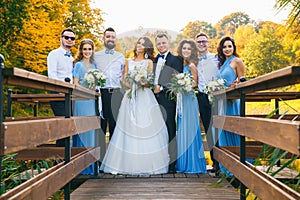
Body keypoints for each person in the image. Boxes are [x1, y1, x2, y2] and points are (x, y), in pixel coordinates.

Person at [100, 37, 169, 175]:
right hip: (130, 96)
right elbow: (123, 79)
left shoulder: (149, 62)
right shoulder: (128, 61)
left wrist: (142, 83)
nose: (139, 45)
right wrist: (132, 85)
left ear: (147, 48)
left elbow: (150, 81)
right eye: (138, 43)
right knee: (128, 126)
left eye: (143, 44)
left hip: (145, 96)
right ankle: (125, 163)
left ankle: (147, 164)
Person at [175, 40, 207, 174]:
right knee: (182, 129)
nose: (186, 51)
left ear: (192, 51)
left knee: (190, 129)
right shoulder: (180, 64)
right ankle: (183, 163)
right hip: (181, 99)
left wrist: (184, 85)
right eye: (184, 48)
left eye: (189, 49)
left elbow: (195, 83)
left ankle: (193, 164)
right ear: (180, 50)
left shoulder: (192, 65)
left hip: (189, 98)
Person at [153, 33, 183, 173]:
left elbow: (177, 79)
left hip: (168, 99)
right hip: (153, 100)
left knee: (170, 128)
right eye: (158, 43)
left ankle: (172, 163)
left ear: (168, 43)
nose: (161, 45)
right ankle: (159, 160)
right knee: (157, 130)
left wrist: (162, 88)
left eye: (163, 43)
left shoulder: (176, 60)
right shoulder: (153, 60)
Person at [216, 36, 246, 174]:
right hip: (222, 102)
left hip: (232, 101)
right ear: (221, 49)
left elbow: (243, 81)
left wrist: (236, 84)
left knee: (234, 131)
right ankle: (227, 168)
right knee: (223, 132)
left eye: (230, 46)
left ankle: (239, 169)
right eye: (224, 47)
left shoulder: (237, 61)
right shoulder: (221, 64)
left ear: (233, 47)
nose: (227, 49)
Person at [195, 32, 220, 170]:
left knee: (219, 128)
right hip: (202, 96)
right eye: (199, 42)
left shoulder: (216, 58)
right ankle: (214, 162)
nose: (202, 44)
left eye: (204, 41)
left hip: (216, 96)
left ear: (208, 43)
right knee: (208, 128)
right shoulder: (194, 60)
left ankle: (224, 161)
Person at [94, 27, 125, 142]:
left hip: (116, 94)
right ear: (103, 38)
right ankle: (100, 158)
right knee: (101, 126)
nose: (110, 39)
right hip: (101, 94)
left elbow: (124, 76)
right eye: (108, 37)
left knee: (115, 125)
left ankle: (113, 157)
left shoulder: (120, 57)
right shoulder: (96, 56)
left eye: (113, 37)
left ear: (116, 39)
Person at [72, 39, 97, 175]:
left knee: (90, 130)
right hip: (81, 100)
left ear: (92, 50)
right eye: (85, 49)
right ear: (81, 50)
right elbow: (75, 84)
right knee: (81, 129)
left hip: (91, 101)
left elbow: (95, 83)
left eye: (89, 49)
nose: (87, 51)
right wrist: (88, 91)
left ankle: (89, 166)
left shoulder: (93, 66)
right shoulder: (78, 65)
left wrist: (93, 89)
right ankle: (80, 167)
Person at [47, 28, 76, 147]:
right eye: (66, 37)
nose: (69, 40)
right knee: (63, 127)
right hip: (57, 94)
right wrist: (62, 89)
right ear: (61, 39)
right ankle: (59, 159)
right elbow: (52, 75)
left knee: (68, 127)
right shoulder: (54, 54)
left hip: (70, 96)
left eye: (72, 38)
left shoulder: (72, 58)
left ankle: (62, 158)